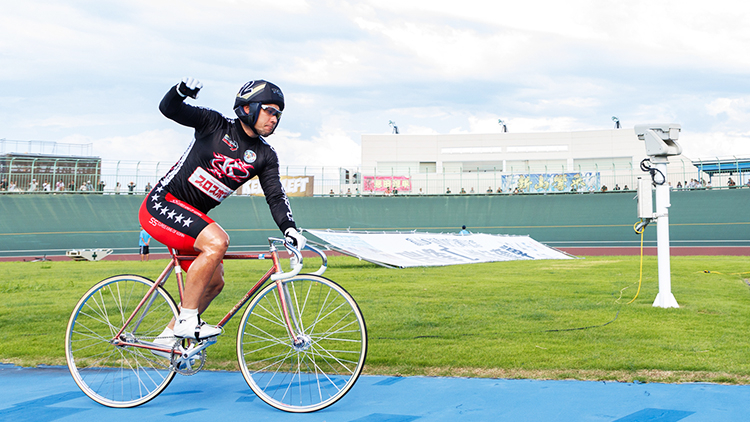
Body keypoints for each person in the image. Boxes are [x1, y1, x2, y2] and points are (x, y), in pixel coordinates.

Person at [139, 77, 305, 344]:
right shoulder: (213, 124)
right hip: (162, 204)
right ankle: (187, 320)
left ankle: (166, 340)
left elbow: (275, 195)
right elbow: (169, 109)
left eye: (279, 114)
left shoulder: (265, 156)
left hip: (191, 220)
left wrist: (289, 228)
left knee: (215, 283)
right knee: (218, 241)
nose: (274, 119)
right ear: (248, 108)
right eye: (270, 111)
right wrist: (181, 91)